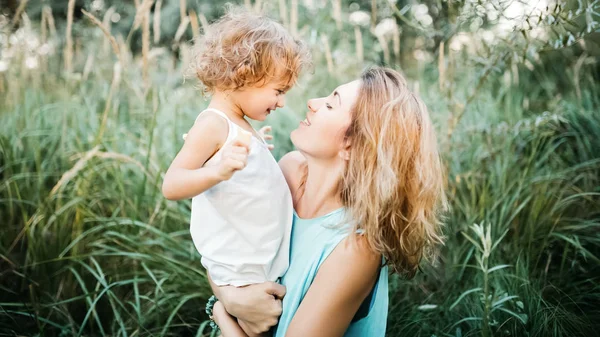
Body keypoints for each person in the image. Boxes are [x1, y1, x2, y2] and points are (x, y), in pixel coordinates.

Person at [210, 67, 447, 337]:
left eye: (331, 104)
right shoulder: (289, 171)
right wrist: (229, 298)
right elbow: (222, 248)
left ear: (352, 144)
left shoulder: (356, 247)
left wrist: (220, 311)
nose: (312, 103)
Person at [161, 7, 310, 337]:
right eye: (279, 90)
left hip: (257, 262)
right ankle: (223, 317)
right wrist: (218, 171)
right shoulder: (213, 124)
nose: (282, 102)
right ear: (243, 74)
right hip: (241, 266)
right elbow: (172, 184)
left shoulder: (240, 126)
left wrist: (255, 154)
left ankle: (223, 317)